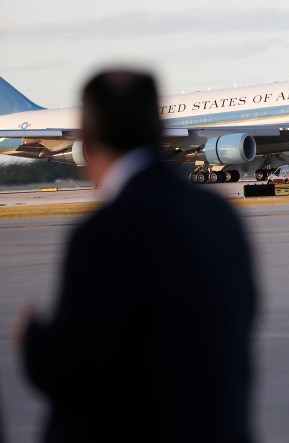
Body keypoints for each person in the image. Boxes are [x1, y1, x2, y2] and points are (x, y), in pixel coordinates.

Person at [12, 70, 258, 442]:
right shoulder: (220, 214)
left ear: (90, 140)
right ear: (158, 129)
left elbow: (78, 368)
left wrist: (31, 340)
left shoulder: (102, 231)